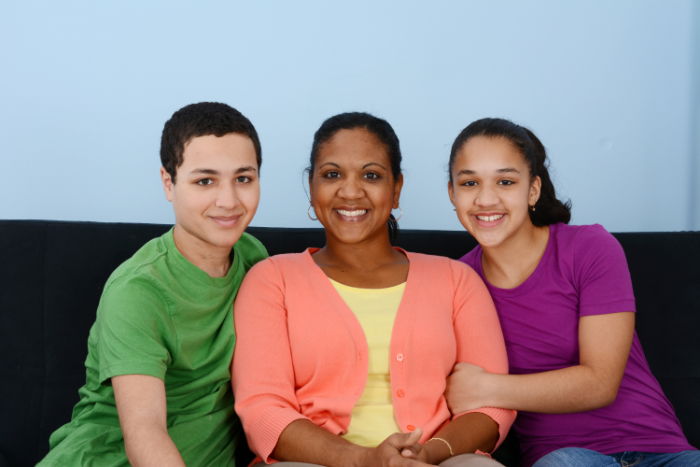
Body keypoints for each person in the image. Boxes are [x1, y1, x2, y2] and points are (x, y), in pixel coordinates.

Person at [232, 112, 515, 467]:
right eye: (332, 175)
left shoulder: (456, 280)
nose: (350, 191)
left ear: (396, 189)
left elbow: (491, 405)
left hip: (438, 459)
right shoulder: (272, 280)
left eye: (371, 175)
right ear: (312, 187)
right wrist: (365, 460)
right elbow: (262, 409)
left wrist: (427, 453)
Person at [445, 117, 699, 467]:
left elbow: (600, 382)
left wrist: (488, 387)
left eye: (505, 181)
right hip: (567, 457)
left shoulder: (589, 247)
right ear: (452, 194)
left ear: (532, 190)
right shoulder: (458, 282)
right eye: (470, 182)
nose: (486, 199)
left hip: (661, 450)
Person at [38, 102, 268, 466]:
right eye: (204, 181)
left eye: (243, 178)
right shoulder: (137, 291)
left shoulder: (254, 258)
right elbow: (145, 430)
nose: (229, 201)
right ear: (168, 183)